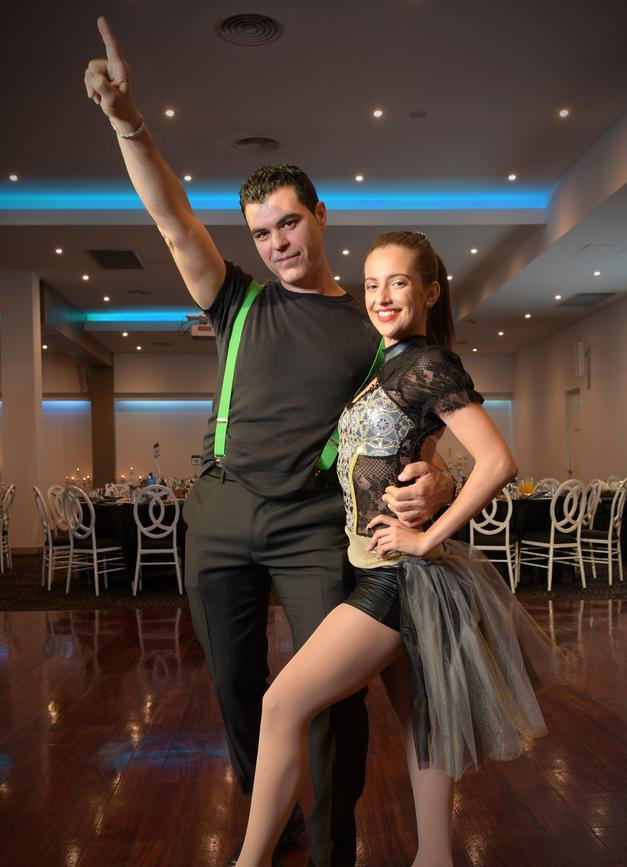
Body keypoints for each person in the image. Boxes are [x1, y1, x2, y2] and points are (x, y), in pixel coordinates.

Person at [83, 19, 455, 867]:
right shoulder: (240, 300)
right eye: (261, 231)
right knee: (235, 688)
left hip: (317, 519)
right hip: (217, 510)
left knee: (330, 695)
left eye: (289, 223)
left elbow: (409, 428)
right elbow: (174, 219)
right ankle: (271, 804)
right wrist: (126, 120)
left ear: (321, 215)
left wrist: (429, 478)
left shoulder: (371, 325)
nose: (277, 242)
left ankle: (332, 843)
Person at [235, 232, 567, 867]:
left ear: (430, 291)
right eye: (371, 283)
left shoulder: (429, 364)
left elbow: (498, 461)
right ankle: (436, 857)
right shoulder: (384, 364)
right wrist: (430, 478)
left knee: (281, 704)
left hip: (396, 573)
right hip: (377, 564)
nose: (381, 296)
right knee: (424, 727)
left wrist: (426, 533)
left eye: (398, 282)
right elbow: (409, 448)